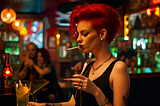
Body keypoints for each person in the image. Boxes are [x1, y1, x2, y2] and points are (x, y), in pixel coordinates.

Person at [29, 3, 130, 106]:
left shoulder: (118, 68)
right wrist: (45, 105)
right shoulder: (87, 66)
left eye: (84, 34)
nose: (78, 39)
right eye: (78, 34)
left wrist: (96, 92)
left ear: (102, 34)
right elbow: (73, 103)